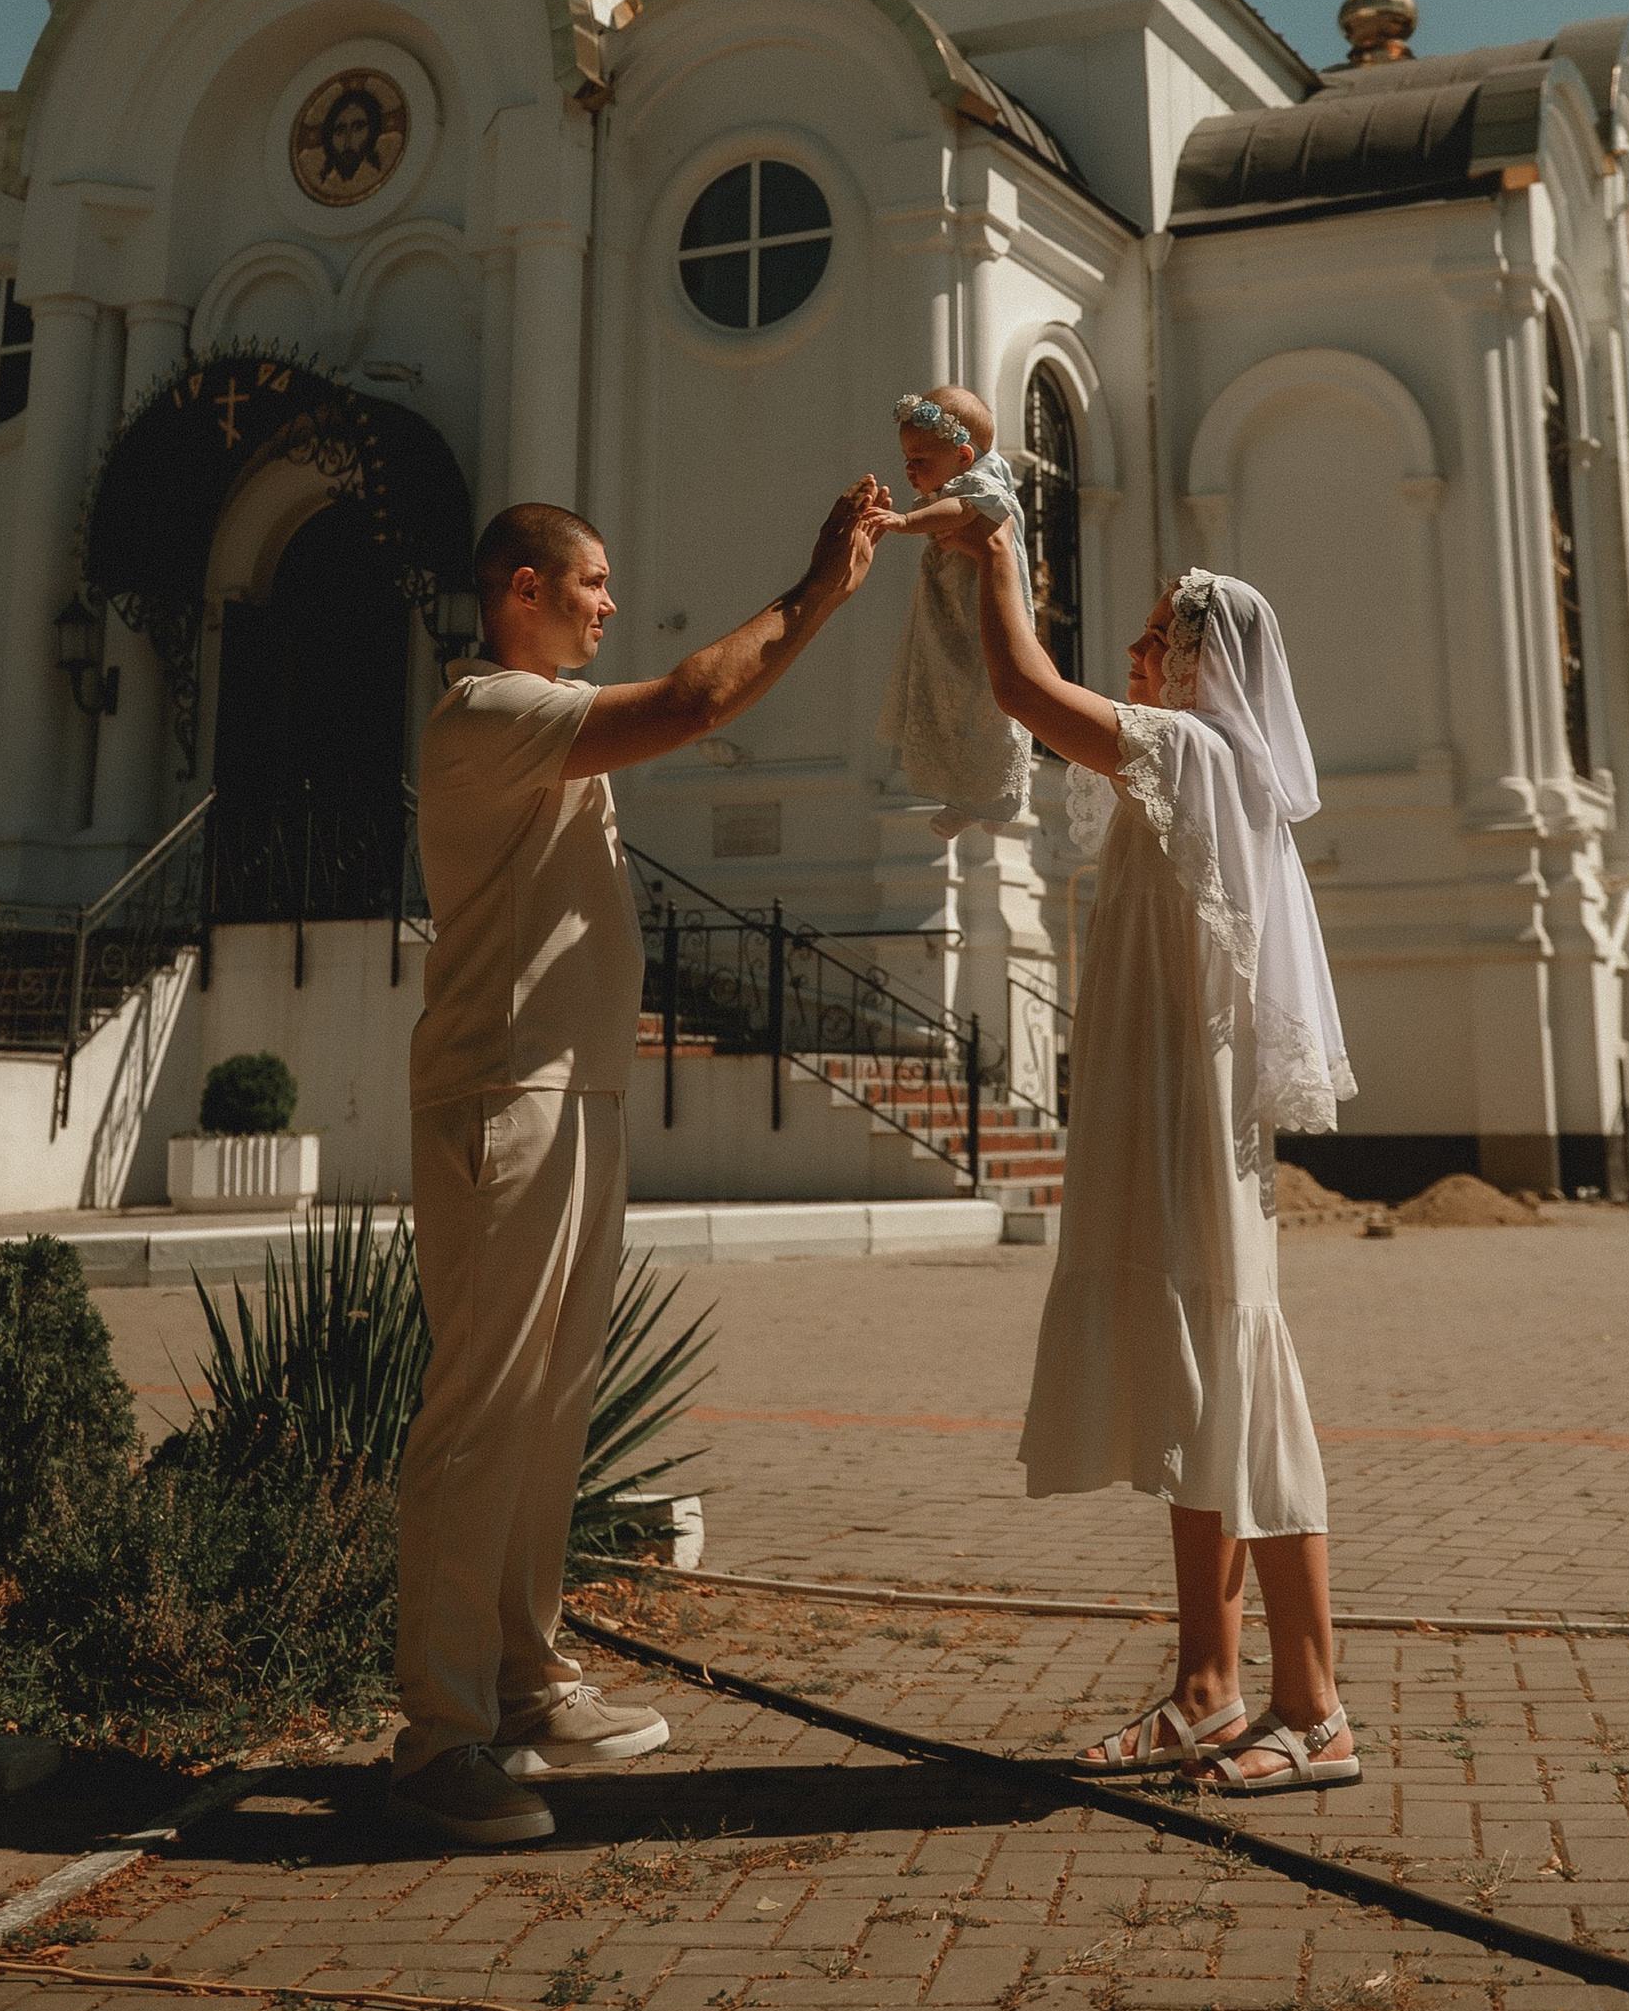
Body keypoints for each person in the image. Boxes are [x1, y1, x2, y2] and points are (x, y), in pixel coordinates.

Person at [393, 479, 891, 1849]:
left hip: (576, 1092)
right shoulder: (488, 712)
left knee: (551, 1406)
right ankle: (437, 1733)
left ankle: (523, 1679)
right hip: (507, 1094)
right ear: (521, 590)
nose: (612, 602)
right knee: (483, 1407)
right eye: (593, 582)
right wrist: (816, 592)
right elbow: (693, 703)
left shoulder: (551, 732)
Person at [950, 518, 1362, 1794]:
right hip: (1156, 1104)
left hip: (1189, 1120)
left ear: (1201, 664)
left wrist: (995, 549)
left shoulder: (1191, 751)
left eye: (1155, 635)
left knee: (1241, 1385)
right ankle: (1206, 1688)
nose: (1131, 650)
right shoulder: (1187, 764)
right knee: (1197, 1395)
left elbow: (1020, 687)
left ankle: (1315, 1706)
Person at [876, 387, 1035, 838]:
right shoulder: (957, 482)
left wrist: (905, 522)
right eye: (907, 458)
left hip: (980, 606)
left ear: (964, 456)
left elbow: (963, 510)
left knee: (984, 696)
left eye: (921, 459)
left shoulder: (981, 485)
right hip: (950, 609)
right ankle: (965, 794)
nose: (910, 468)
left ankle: (995, 795)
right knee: (947, 696)